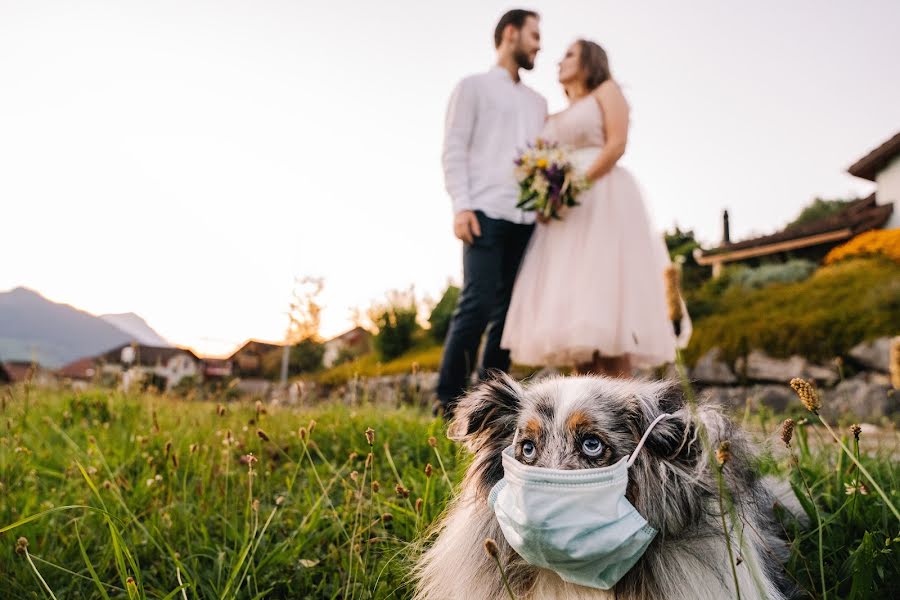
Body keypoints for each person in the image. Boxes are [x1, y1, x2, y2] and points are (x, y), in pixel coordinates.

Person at [501, 40, 690, 377]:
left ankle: (626, 417)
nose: (560, 60)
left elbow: (617, 144)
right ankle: (587, 415)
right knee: (577, 321)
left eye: (570, 54)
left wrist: (578, 185)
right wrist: (544, 197)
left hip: (604, 199)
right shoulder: (551, 115)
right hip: (564, 218)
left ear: (590, 60)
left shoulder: (606, 91)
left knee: (610, 309)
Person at [436, 9, 548, 416]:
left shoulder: (539, 102)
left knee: (510, 316)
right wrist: (460, 204)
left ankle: (490, 408)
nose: (539, 44)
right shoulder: (473, 87)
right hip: (483, 209)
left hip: (527, 220)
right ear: (511, 33)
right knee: (477, 303)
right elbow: (454, 147)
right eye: (534, 35)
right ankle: (447, 402)